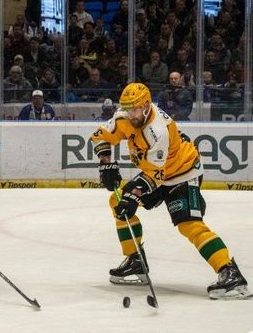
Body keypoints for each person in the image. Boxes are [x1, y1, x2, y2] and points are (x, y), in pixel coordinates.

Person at [91, 83, 251, 300]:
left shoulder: (158, 130)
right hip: (156, 171)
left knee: (189, 224)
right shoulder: (124, 117)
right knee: (117, 202)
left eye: (135, 109)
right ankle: (136, 261)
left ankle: (230, 272)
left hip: (183, 173)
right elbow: (101, 136)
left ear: (146, 106)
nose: (130, 114)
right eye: (127, 109)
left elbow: (156, 176)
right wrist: (106, 163)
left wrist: (133, 197)